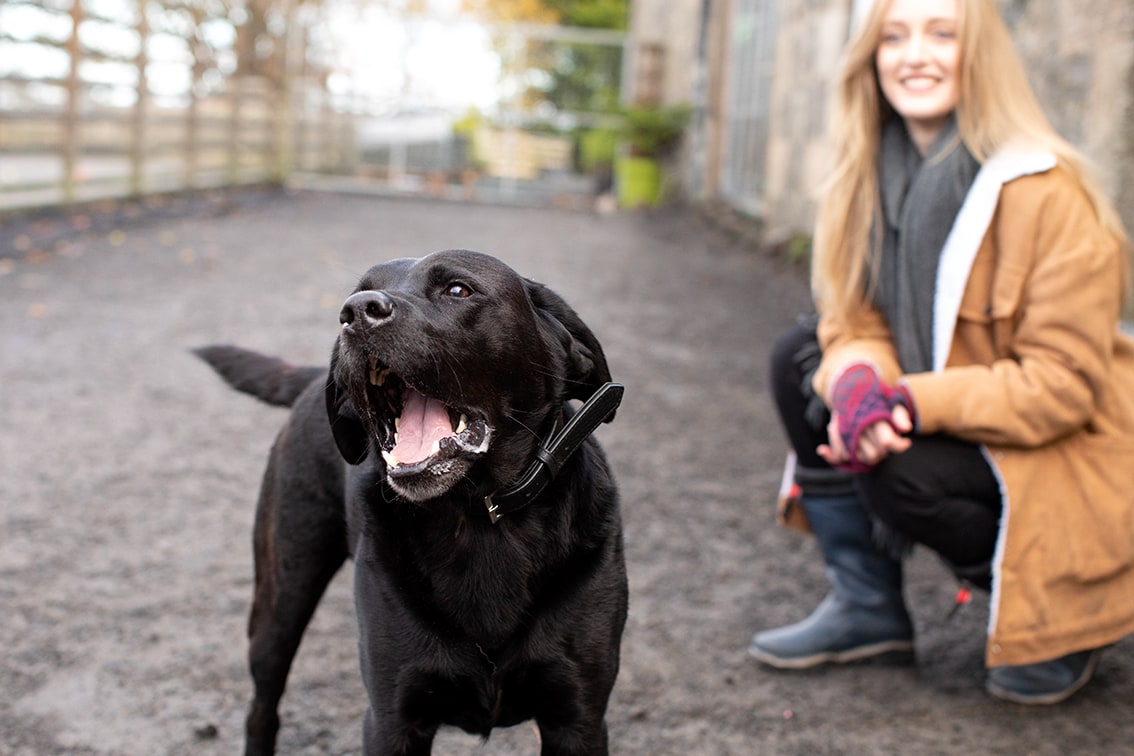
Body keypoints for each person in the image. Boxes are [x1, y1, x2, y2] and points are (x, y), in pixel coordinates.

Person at [749, 0, 1134, 705]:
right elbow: (852, 318)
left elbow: (1063, 386)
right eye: (893, 37)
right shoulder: (866, 176)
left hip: (1065, 446)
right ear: (871, 60)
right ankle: (868, 608)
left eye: (941, 34)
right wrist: (861, 381)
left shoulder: (1050, 192)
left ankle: (1058, 621)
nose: (913, 55)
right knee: (799, 358)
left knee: (901, 468)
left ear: (979, 53)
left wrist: (904, 402)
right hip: (965, 411)